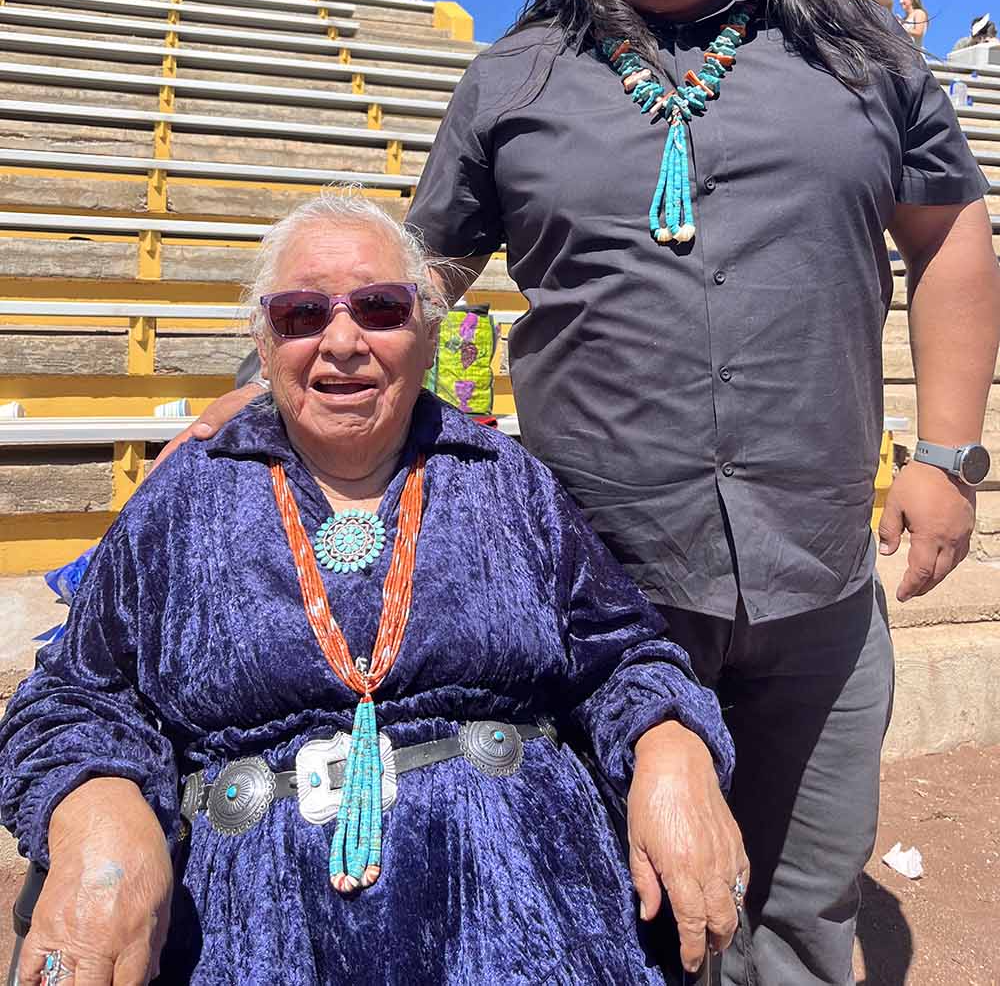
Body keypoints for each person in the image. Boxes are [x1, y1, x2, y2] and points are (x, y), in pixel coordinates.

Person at [146, 0, 999, 984]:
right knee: (610, 906)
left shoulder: (861, 61)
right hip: (599, 595)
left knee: (805, 912)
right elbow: (415, 273)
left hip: (818, 578)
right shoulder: (510, 81)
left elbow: (949, 232)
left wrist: (946, 453)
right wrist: (269, 388)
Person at [0, 194, 746, 986]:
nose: (344, 341)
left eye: (381, 308)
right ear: (264, 338)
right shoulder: (185, 496)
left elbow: (625, 652)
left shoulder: (507, 482)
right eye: (302, 313)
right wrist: (99, 815)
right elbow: (76, 697)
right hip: (263, 933)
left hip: (522, 907)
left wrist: (671, 744)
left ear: (425, 334)